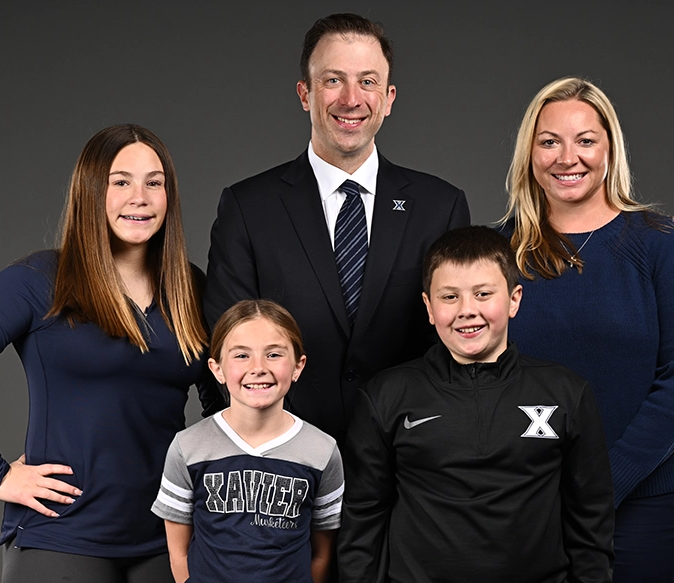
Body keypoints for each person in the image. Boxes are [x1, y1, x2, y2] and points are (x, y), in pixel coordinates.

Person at [0, 124, 209, 583]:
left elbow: (225, 402)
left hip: (168, 539)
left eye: (154, 182)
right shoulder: (41, 279)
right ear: (92, 192)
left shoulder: (191, 287)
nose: (140, 197)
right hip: (61, 536)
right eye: (120, 181)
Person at [204, 13, 470, 441]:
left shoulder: (440, 207)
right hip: (282, 468)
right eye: (333, 80)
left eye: (368, 81)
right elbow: (225, 343)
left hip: (411, 469)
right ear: (305, 94)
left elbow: (456, 345)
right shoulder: (248, 207)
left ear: (389, 98)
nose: (351, 99)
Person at [501, 76, 674, 583]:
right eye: (550, 141)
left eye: (585, 140)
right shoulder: (497, 250)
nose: (566, 157)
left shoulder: (659, 242)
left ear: (609, 148)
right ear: (529, 152)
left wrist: (603, 484)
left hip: (644, 508)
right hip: (522, 506)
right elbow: (474, 372)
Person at [337, 225, 614, 583]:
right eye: (449, 297)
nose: (467, 310)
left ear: (514, 299)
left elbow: (591, 521)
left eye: (483, 294)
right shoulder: (386, 396)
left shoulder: (565, 394)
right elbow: (363, 520)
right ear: (429, 307)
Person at [152, 299, 343, 583]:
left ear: (297, 366)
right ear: (217, 369)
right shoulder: (188, 447)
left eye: (274, 354)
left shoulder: (322, 451)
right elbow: (178, 553)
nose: (258, 368)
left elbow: (322, 554)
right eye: (241, 355)